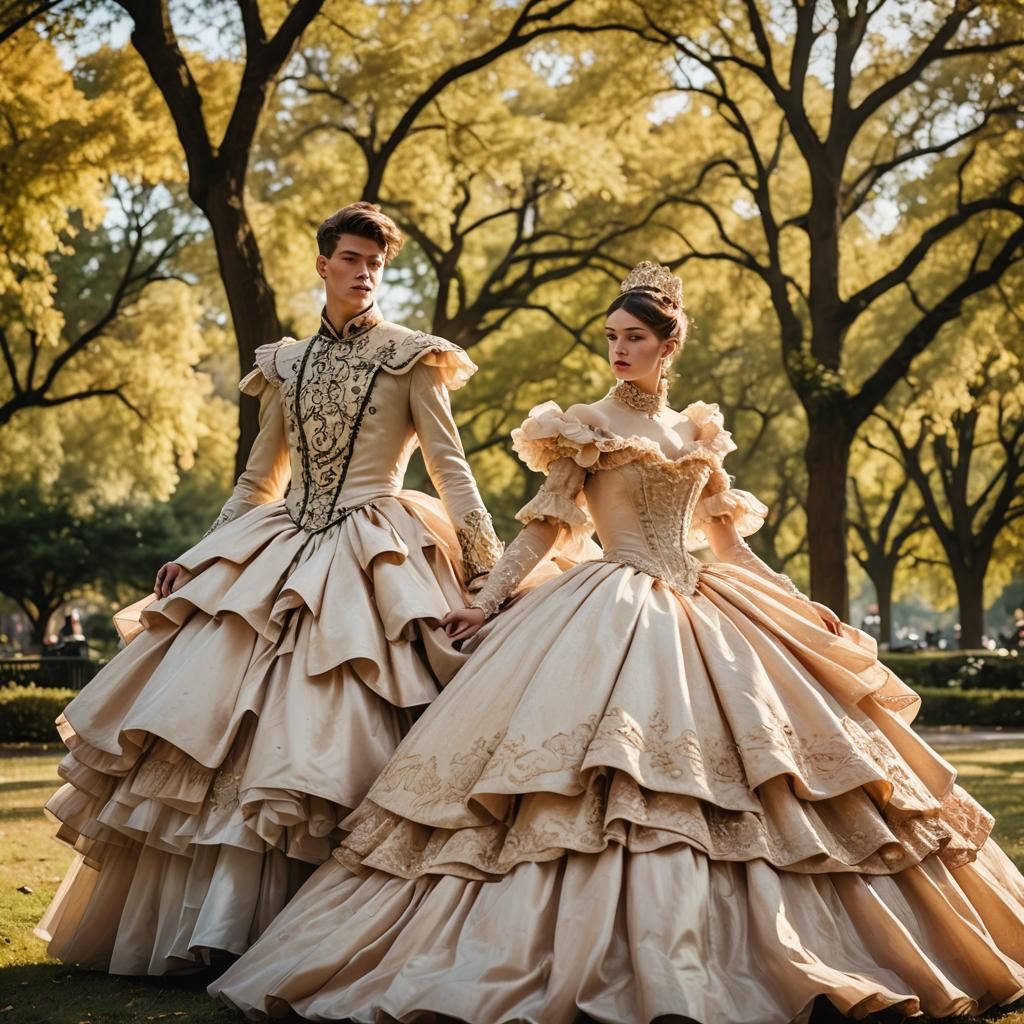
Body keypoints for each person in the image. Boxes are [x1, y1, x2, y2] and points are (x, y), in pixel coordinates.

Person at [211, 261, 1024, 1023]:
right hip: (606, 606)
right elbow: (544, 531)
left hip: (704, 602)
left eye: (633, 337)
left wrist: (802, 604)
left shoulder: (698, 432)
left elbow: (730, 549)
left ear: (668, 345)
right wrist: (488, 598)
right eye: (610, 337)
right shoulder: (584, 427)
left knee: (782, 777)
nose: (618, 349)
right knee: (581, 781)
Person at [36, 202, 504, 976]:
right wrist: (202, 557)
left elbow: (451, 469)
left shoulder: (414, 357)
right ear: (322, 266)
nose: (363, 273)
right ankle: (224, 930)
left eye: (375, 263)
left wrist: (484, 572)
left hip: (374, 548)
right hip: (280, 545)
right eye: (351, 259)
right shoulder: (285, 363)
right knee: (226, 727)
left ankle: (334, 928)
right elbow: (260, 477)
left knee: (340, 728)